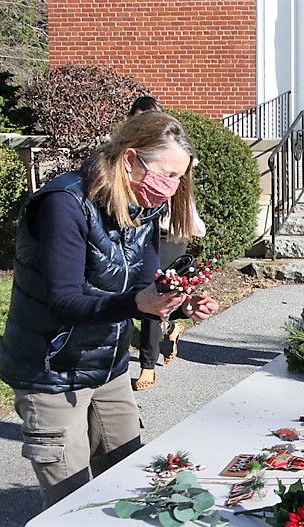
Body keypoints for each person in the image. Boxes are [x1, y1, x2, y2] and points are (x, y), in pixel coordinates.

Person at [0, 111, 219, 508]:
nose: (171, 188)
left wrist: (181, 305)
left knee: (131, 486)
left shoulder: (143, 208)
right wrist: (137, 302)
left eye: (179, 178)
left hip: (108, 367)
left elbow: (144, 285)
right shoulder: (63, 205)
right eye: (166, 175)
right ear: (131, 159)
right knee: (73, 504)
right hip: (51, 371)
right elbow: (63, 301)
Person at [126, 96, 205, 391]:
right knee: (144, 297)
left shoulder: (175, 152)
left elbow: (182, 194)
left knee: (154, 291)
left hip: (168, 230)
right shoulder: (124, 160)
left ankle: (148, 365)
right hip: (137, 226)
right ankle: (171, 328)